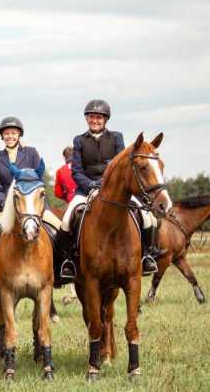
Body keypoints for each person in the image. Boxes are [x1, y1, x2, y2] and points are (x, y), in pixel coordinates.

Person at [56, 99, 165, 279]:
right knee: (67, 220)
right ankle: (68, 261)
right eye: (92, 117)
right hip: (87, 189)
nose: (95, 120)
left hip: (115, 190)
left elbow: (122, 164)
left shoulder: (116, 138)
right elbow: (76, 171)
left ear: (105, 120)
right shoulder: (79, 140)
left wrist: (107, 182)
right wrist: (90, 184)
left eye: (99, 117)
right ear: (87, 119)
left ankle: (147, 255)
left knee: (147, 217)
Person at [0, 117, 62, 288]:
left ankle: (59, 270)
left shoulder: (31, 153)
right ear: (2, 136)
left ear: (19, 134)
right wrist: (7, 204)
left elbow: (38, 181)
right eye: (6, 133)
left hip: (33, 207)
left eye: (13, 133)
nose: (10, 136)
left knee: (60, 229)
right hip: (5, 209)